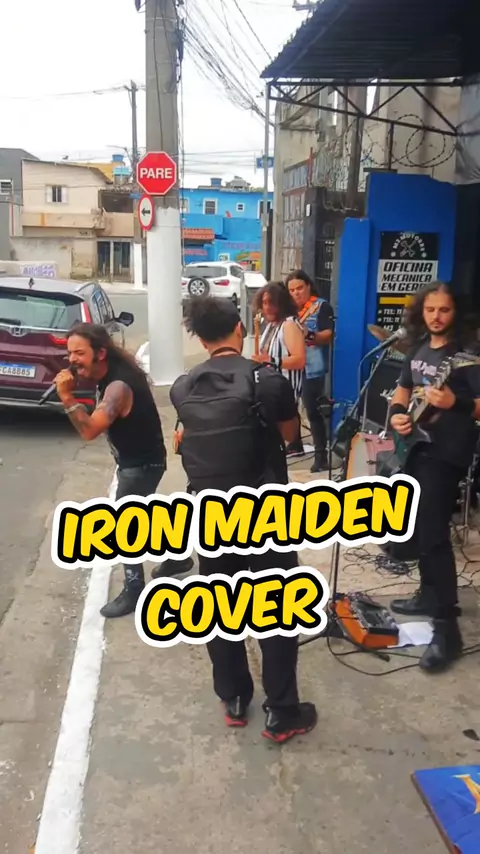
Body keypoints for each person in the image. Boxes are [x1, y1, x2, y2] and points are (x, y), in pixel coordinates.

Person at [169, 296, 317, 743]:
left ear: (200, 339)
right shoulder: (267, 380)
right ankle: (282, 712)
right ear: (240, 329)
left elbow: (186, 437)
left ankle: (234, 698)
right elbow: (291, 436)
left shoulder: (183, 386)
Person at [53, 322, 190, 618]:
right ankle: (177, 557)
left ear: (100, 353)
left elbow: (89, 430)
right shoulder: (110, 373)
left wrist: (67, 397)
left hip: (141, 464)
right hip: (141, 459)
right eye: (69, 354)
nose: (72, 360)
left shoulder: (118, 385)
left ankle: (134, 588)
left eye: (79, 353)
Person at [388, 282, 480, 672]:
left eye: (444, 310)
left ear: (455, 312)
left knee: (433, 535)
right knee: (416, 528)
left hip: (447, 453)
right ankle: (428, 593)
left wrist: (457, 402)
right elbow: (403, 389)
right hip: (418, 448)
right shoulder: (418, 348)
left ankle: (447, 629)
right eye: (430, 310)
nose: (436, 317)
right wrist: (398, 413)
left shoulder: (468, 356)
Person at [286, 270, 334, 472]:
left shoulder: (321, 306)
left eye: (299, 288)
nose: (296, 293)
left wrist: (310, 335)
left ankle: (321, 456)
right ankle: (295, 444)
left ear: (308, 286)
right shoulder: (288, 311)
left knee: (313, 411)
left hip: (312, 367)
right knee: (288, 406)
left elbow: (328, 335)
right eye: (291, 290)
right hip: (291, 365)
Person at [252, 281, 306, 457]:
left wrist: (271, 360)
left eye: (271, 303)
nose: (266, 307)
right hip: (271, 388)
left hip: (284, 391)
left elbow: (299, 360)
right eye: (264, 303)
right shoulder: (272, 325)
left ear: (281, 303)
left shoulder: (289, 325)